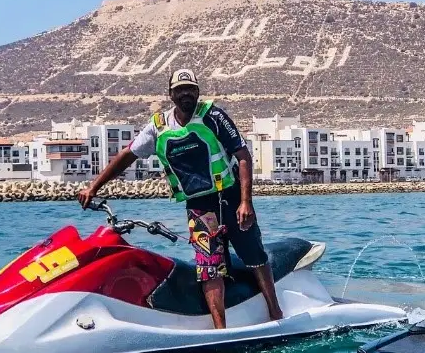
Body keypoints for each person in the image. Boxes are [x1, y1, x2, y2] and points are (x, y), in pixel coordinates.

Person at [78, 68, 284, 329]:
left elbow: (243, 156)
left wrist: (246, 202)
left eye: (191, 89)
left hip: (230, 198)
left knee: (253, 254)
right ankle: (221, 331)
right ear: (171, 94)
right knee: (208, 267)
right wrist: (94, 187)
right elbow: (127, 156)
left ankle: (276, 313)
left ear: (197, 92)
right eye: (180, 90)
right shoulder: (158, 126)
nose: (186, 94)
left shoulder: (213, 116)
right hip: (199, 207)